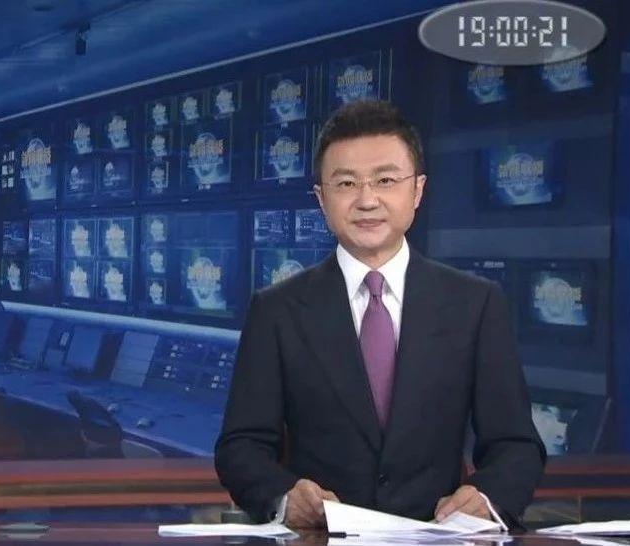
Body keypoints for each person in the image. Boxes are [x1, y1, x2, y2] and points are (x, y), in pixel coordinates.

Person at [215, 100, 544, 529]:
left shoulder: (476, 304)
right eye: (346, 183)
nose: (367, 200)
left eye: (386, 180)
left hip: (438, 537)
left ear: (417, 191)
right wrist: (284, 498)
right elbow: (240, 447)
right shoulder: (276, 310)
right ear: (321, 198)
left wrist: (486, 498)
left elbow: (516, 445)